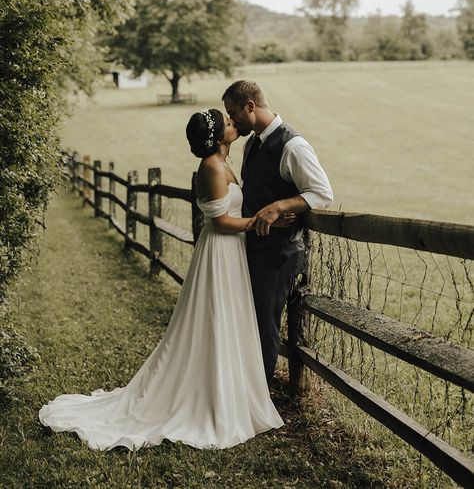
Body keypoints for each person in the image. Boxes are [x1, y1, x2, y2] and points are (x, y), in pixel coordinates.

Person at [39, 109, 291, 450]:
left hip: (230, 253)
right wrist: (264, 222)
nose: (234, 124)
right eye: (229, 124)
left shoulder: (220, 162)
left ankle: (231, 389)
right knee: (215, 319)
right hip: (220, 250)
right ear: (218, 138)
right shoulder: (213, 168)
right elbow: (221, 224)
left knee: (227, 319)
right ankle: (209, 397)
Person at [223, 81, 333, 385]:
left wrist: (281, 206)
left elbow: (322, 193)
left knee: (264, 324)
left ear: (250, 106)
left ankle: (260, 395)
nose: (232, 121)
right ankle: (247, 388)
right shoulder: (252, 143)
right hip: (255, 248)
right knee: (250, 320)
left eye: (234, 113)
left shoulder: (293, 145)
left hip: (279, 252)